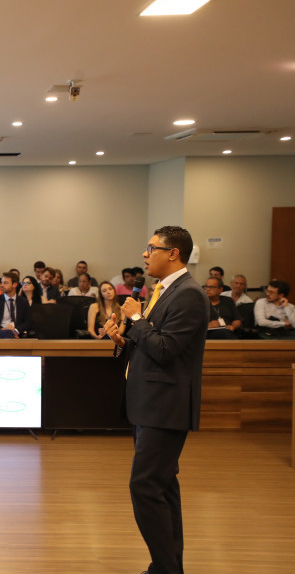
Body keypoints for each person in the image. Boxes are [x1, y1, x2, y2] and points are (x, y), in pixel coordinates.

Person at [102, 225, 208, 574]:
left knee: (145, 487)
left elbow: (167, 349)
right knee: (162, 488)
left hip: (166, 406)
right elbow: (150, 344)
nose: (145, 254)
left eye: (151, 248)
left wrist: (134, 317)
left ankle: (164, 568)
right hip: (150, 403)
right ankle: (169, 566)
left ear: (173, 253)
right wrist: (123, 340)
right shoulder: (162, 291)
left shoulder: (189, 294)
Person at [0, 272, 31, 338]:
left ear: (14, 284)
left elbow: (28, 322)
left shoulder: (23, 302)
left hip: (15, 332)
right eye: (1, 282)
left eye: (5, 283)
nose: (1, 285)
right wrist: (4, 329)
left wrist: (15, 331)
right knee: (8, 333)